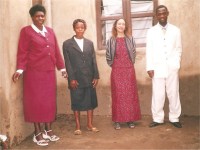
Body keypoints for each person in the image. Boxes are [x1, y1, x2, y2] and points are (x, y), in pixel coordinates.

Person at [12, 4, 68, 146]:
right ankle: (37, 133)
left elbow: (56, 51)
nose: (40, 18)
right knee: (36, 103)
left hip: (49, 73)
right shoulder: (26, 31)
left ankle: (48, 130)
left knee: (49, 102)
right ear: (32, 17)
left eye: (42, 16)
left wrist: (62, 68)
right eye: (37, 16)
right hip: (34, 73)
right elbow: (22, 51)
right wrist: (20, 69)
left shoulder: (49, 31)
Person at [146, 5, 182, 128]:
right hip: (157, 68)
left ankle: (174, 117)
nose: (161, 16)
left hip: (172, 67)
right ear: (156, 16)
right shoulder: (151, 32)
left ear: (167, 13)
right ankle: (157, 118)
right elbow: (149, 51)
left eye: (163, 13)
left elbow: (178, 49)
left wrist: (176, 64)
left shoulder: (176, 30)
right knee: (158, 93)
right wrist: (149, 67)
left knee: (173, 92)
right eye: (159, 14)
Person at [62, 19, 100, 135]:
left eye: (82, 27)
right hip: (76, 78)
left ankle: (89, 124)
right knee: (76, 101)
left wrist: (96, 76)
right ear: (74, 28)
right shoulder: (67, 44)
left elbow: (94, 60)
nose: (80, 30)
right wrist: (71, 79)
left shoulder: (89, 43)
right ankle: (78, 126)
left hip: (89, 77)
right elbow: (67, 62)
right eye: (78, 27)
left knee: (90, 102)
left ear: (85, 28)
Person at [106, 18, 141, 130]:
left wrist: (130, 63)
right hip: (117, 70)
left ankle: (130, 120)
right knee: (118, 95)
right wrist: (114, 65)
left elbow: (134, 52)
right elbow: (108, 55)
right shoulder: (111, 40)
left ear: (125, 26)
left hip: (129, 69)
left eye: (123, 24)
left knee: (130, 94)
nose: (121, 26)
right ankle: (117, 120)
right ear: (115, 26)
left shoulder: (130, 39)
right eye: (119, 24)